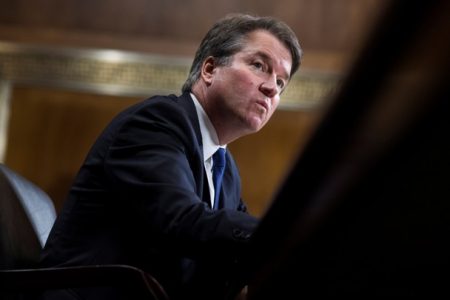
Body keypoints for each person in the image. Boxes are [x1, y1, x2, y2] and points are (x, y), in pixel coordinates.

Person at [40, 13, 302, 300]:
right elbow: (180, 220)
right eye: (258, 66)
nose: (270, 88)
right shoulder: (157, 122)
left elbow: (231, 252)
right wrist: (289, 232)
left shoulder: (226, 171)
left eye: (280, 83)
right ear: (210, 69)